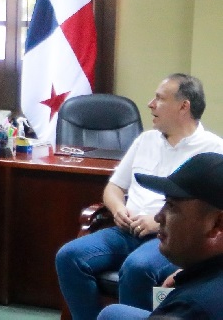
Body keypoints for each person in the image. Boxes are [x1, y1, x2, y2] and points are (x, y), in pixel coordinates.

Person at [55, 73, 223, 320]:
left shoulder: (213, 149)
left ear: (183, 106)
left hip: (168, 235)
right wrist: (118, 210)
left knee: (138, 267)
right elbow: (113, 188)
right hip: (125, 230)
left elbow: (210, 211)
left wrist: (156, 221)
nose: (150, 104)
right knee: (69, 256)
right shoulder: (146, 140)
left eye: (159, 98)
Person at [98, 152, 223, 319]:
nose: (158, 217)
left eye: (171, 206)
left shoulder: (189, 309)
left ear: (217, 223)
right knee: (113, 313)